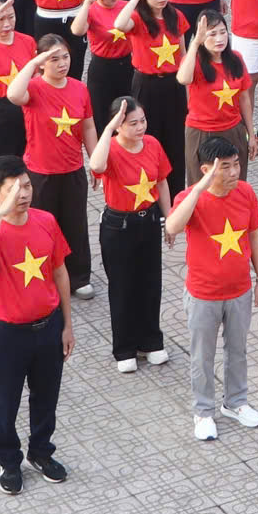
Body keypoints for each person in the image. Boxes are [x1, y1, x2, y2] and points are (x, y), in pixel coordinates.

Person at [0, 157, 75, 494]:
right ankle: (9, 461)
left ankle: (41, 452)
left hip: (48, 327)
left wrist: (67, 324)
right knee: (5, 401)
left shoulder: (46, 221)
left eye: (26, 186)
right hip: (6, 334)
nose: (23, 195)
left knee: (46, 398)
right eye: (13, 190)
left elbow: (59, 271)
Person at [165, 136, 258, 441]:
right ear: (207, 169)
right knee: (202, 356)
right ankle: (203, 411)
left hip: (240, 290)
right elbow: (172, 227)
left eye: (236, 164)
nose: (235, 172)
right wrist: (199, 188)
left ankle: (236, 403)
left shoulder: (246, 193)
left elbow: (255, 237)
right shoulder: (190, 198)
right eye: (226, 167)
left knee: (238, 350)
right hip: (203, 294)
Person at [88, 98, 173, 371]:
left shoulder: (153, 144)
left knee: (150, 284)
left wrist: (169, 217)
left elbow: (162, 179)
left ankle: (150, 341)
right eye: (132, 123)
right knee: (123, 287)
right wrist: (108, 129)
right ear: (118, 126)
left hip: (147, 221)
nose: (140, 127)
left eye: (142, 121)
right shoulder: (110, 149)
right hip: (118, 226)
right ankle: (124, 347)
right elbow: (97, 166)